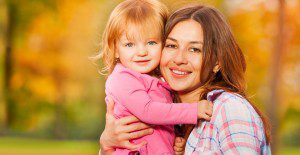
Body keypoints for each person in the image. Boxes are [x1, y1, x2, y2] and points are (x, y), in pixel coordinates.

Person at [99, 4, 272, 155]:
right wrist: (107, 147)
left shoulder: (228, 108)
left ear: (217, 62)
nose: (179, 58)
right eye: (172, 45)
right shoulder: (164, 102)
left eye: (195, 49)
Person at [95, 0, 213, 154]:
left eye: (151, 42)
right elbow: (148, 111)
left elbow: (162, 123)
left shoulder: (159, 78)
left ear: (163, 44)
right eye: (130, 45)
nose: (142, 52)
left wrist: (175, 141)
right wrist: (193, 110)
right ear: (115, 49)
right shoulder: (122, 78)